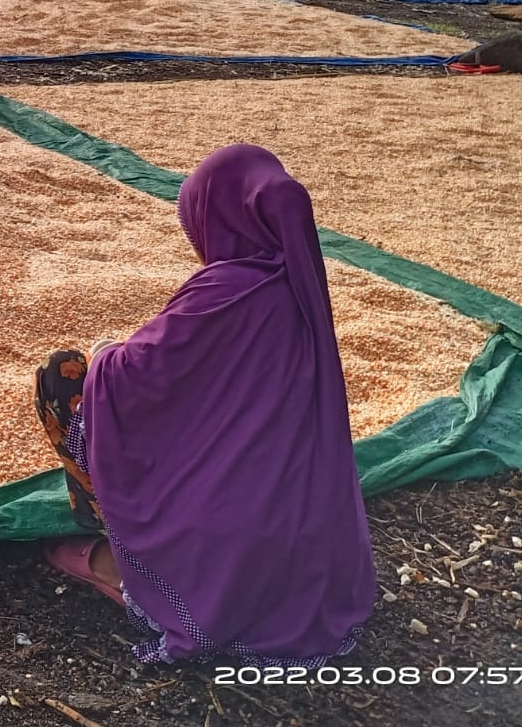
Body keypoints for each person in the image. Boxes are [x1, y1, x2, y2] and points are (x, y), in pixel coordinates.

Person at [33, 144, 376, 666]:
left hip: (227, 540)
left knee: (64, 377)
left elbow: (132, 382)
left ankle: (125, 562)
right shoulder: (301, 285)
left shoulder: (224, 289)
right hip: (307, 539)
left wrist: (104, 355)